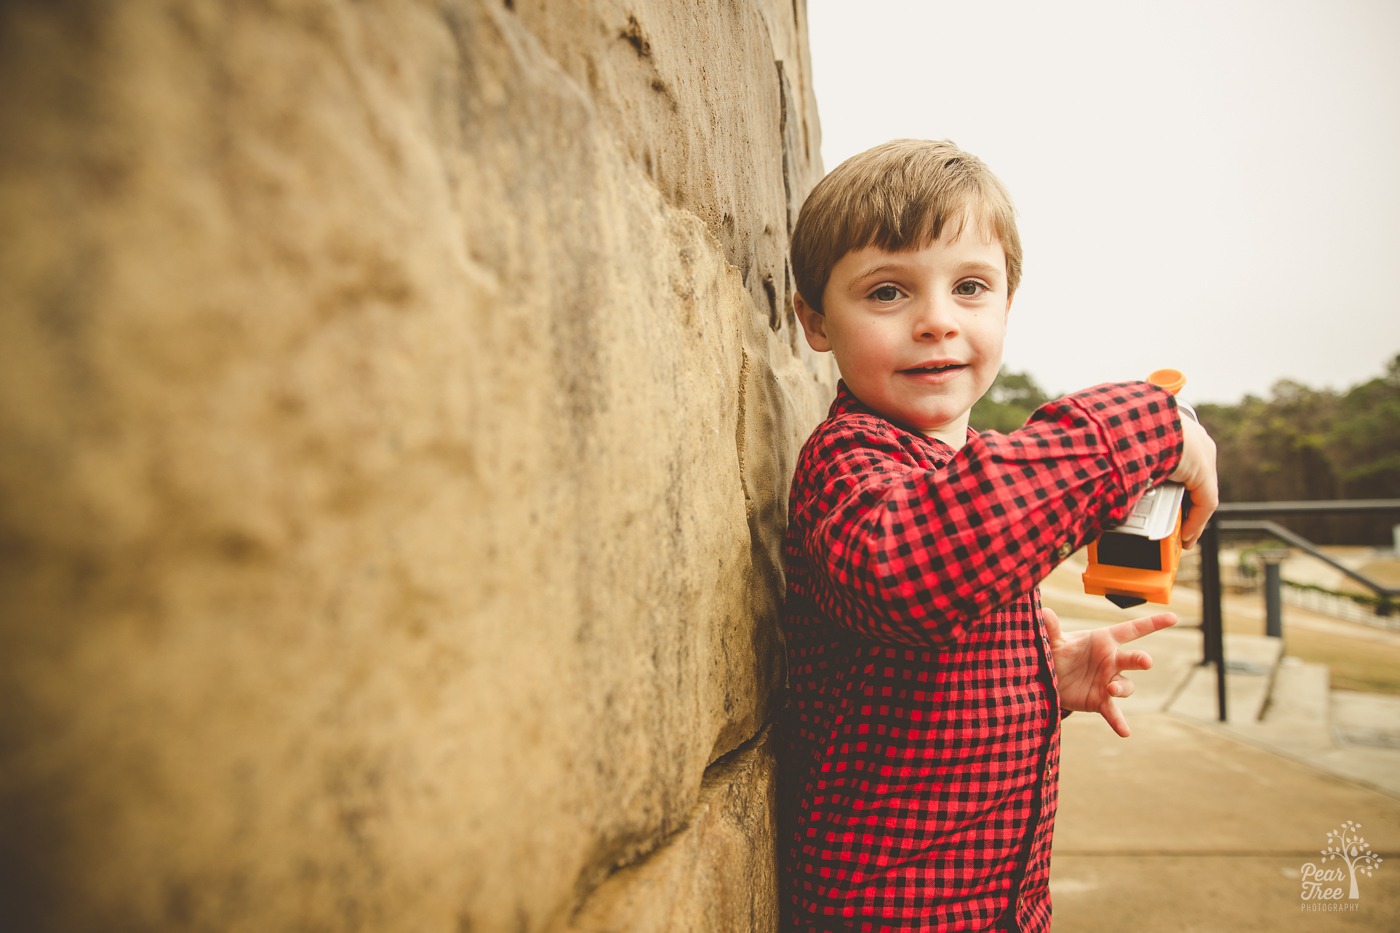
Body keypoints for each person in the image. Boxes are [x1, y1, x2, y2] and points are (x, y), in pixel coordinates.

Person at [777, 139, 1218, 932]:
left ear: (1007, 305)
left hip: (1002, 906)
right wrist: (1150, 426)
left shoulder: (976, 482)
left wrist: (1039, 675)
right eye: (887, 292)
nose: (937, 320)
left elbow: (921, 657)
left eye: (971, 286)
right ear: (814, 320)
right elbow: (908, 571)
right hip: (896, 913)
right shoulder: (848, 461)